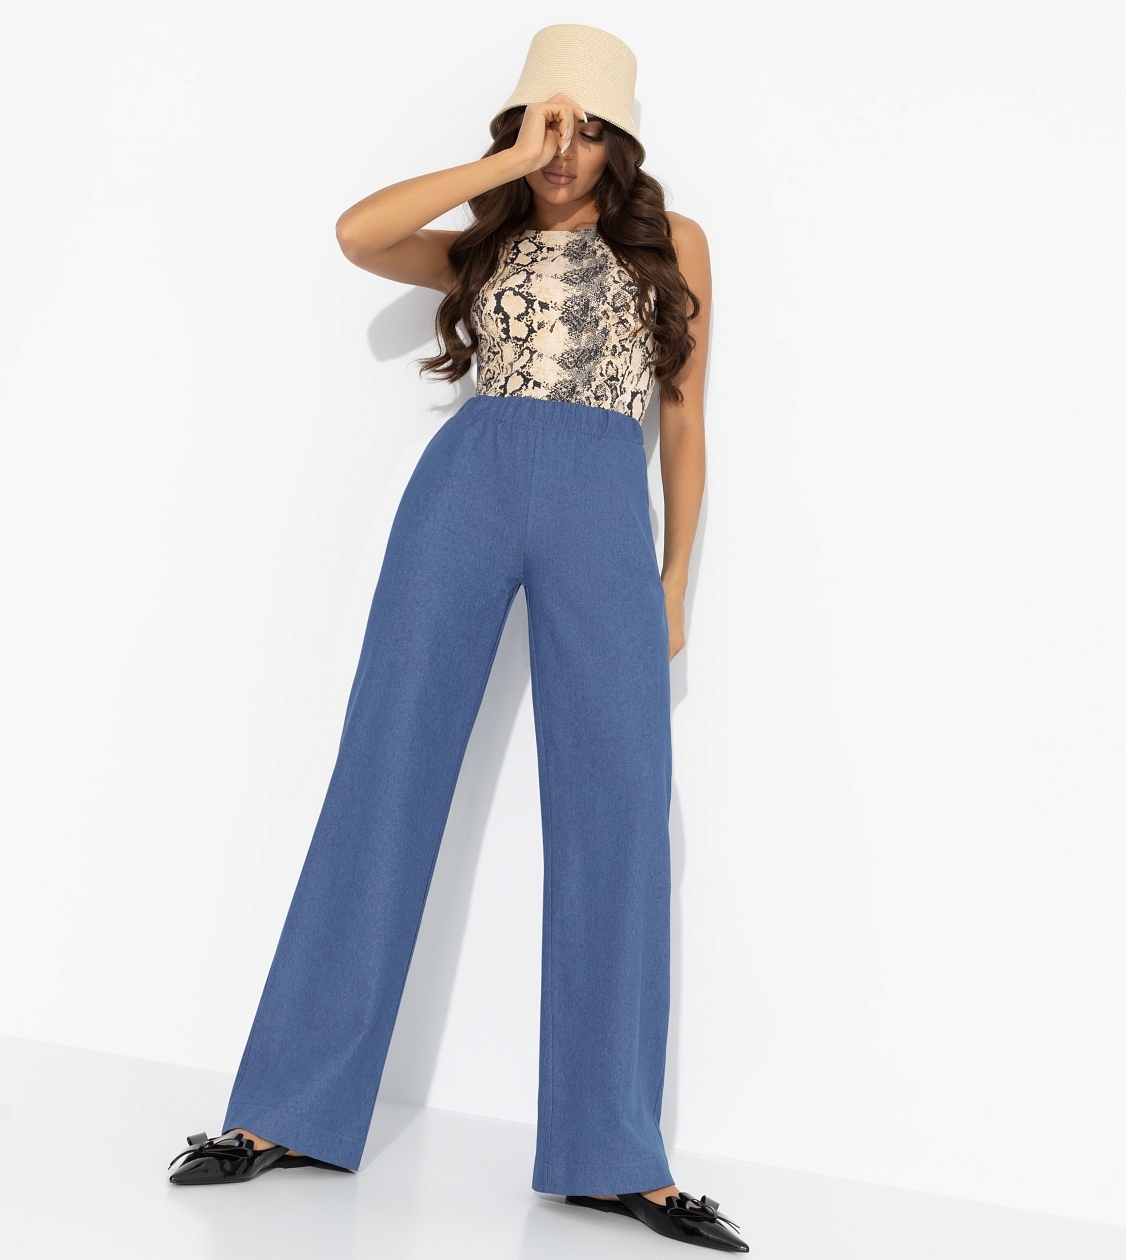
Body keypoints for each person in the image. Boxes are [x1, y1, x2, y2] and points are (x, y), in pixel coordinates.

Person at [167, 24, 745, 1253]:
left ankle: (613, 1154)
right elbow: (357, 233)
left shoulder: (674, 245)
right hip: (466, 491)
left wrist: (675, 575)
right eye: (546, 123)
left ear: (621, 142)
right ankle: (284, 1110)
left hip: (602, 505)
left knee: (621, 807)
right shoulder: (484, 239)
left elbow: (686, 421)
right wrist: (504, 167)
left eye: (587, 129)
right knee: (386, 773)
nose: (565, 149)